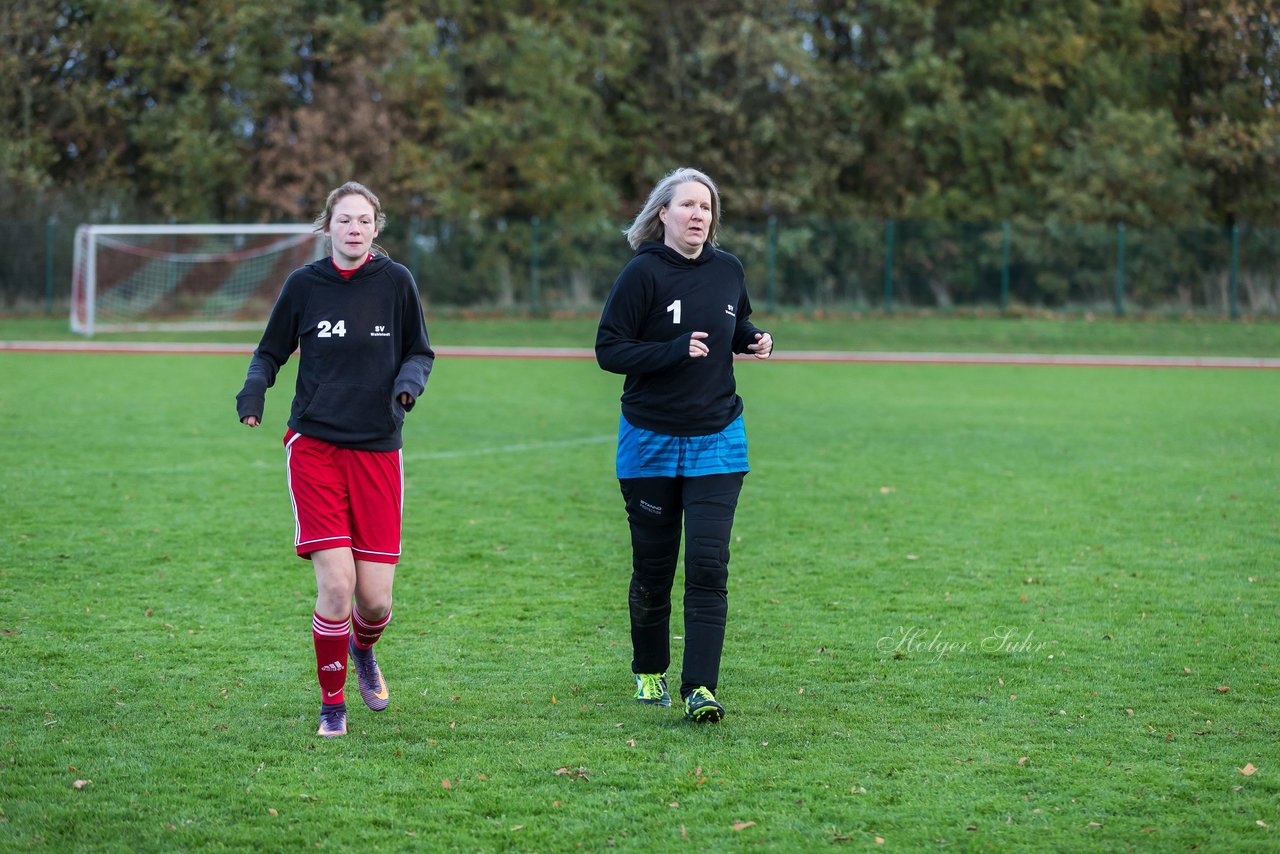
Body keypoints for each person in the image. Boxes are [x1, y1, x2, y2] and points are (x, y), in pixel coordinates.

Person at [236, 181, 434, 738]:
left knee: (373, 602)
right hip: (316, 448)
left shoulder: (397, 283)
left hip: (376, 451)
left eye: (364, 221)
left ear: (376, 228)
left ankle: (362, 649)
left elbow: (420, 350)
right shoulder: (304, 285)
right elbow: (270, 350)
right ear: (329, 228)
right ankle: (332, 707)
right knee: (338, 587)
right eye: (344, 220)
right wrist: (254, 394)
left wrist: (407, 387)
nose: (354, 228)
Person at [595, 167, 773, 723]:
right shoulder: (641, 274)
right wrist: (672, 350)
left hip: (718, 437)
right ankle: (650, 670)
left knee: (707, 563)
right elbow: (609, 350)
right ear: (662, 215)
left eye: (706, 207)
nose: (699, 215)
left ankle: (701, 687)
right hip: (649, 439)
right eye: (688, 206)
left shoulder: (728, 270)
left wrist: (753, 339)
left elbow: (734, 323)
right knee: (653, 566)